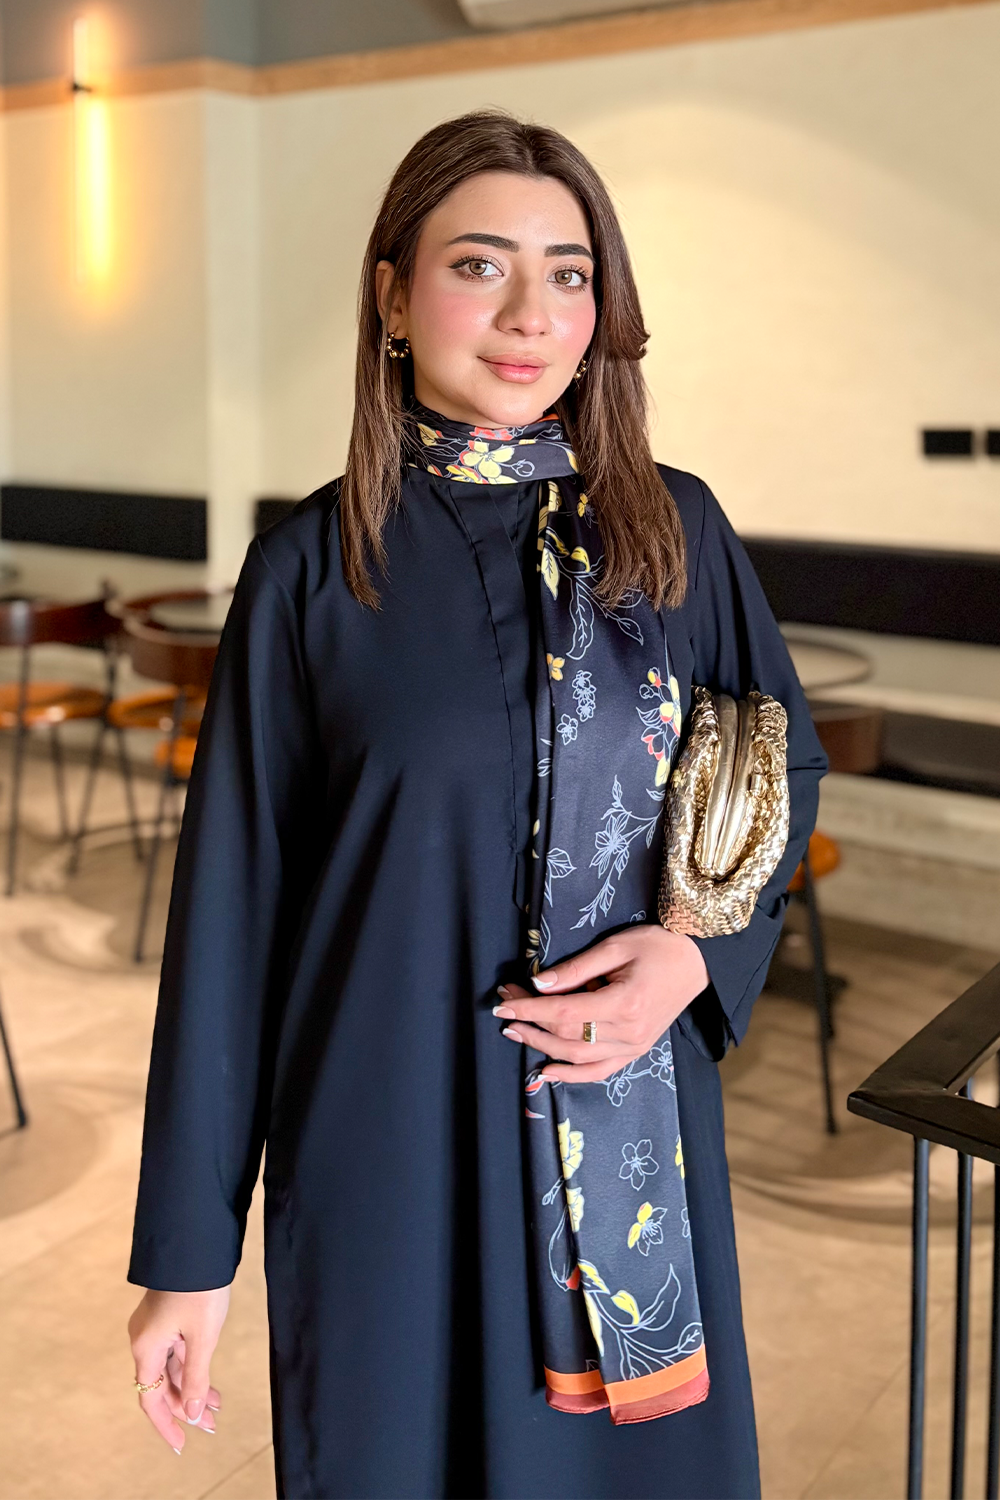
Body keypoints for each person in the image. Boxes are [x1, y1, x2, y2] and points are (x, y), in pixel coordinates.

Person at [127, 110, 826, 1498]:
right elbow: (231, 923)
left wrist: (692, 959)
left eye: (569, 273)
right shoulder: (314, 569)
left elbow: (778, 768)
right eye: (479, 266)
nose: (530, 316)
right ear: (392, 295)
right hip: (387, 1149)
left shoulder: (675, 534)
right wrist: (187, 1259)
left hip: (629, 1136)